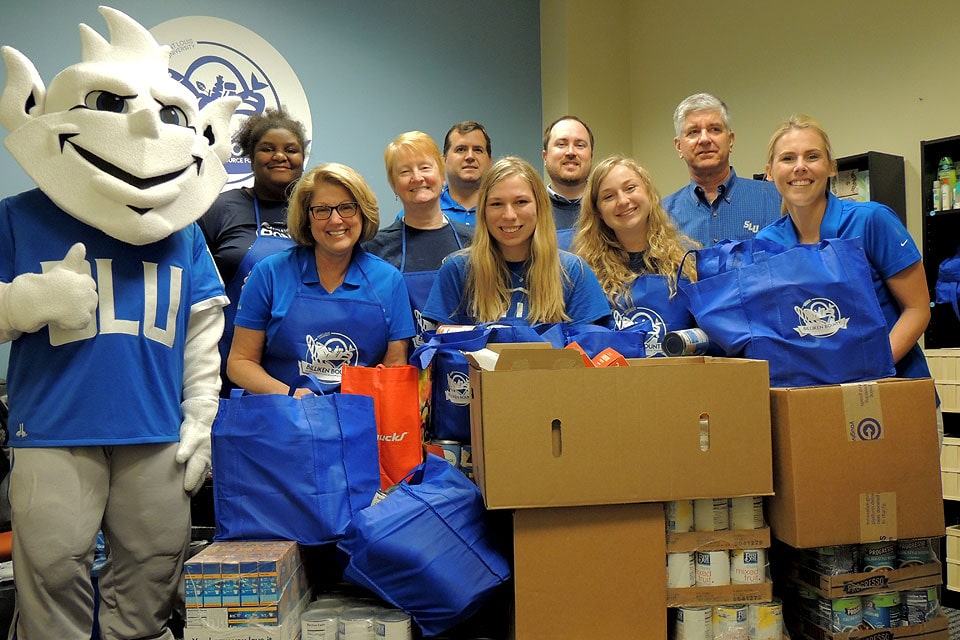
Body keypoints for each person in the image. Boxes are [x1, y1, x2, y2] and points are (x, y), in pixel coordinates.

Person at [0, 7, 236, 639]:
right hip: (52, 427)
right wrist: (22, 304)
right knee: (51, 568)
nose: (141, 125)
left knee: (155, 563)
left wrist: (202, 413)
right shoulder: (19, 217)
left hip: (156, 431)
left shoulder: (182, 232)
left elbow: (202, 326)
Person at [755, 115, 938, 439]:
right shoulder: (766, 245)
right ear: (770, 172)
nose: (800, 167)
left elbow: (917, 310)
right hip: (815, 406)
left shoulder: (871, 221)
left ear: (831, 167)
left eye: (812, 156)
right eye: (788, 158)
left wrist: (864, 371)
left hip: (893, 393)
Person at [227, 163, 415, 397]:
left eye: (347, 208)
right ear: (307, 218)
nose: (336, 220)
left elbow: (393, 370)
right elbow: (240, 363)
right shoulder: (269, 274)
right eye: (322, 210)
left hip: (359, 422)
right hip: (281, 419)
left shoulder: (389, 281)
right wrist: (290, 396)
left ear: (363, 213)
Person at [422, 156, 610, 327]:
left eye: (521, 202)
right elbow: (443, 349)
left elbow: (589, 351)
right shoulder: (457, 270)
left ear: (540, 206)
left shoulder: (574, 272)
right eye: (496, 204)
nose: (509, 215)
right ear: (483, 212)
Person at [199, 107, 308, 395]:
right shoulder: (220, 208)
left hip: (299, 368)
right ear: (250, 155)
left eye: (291, 149)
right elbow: (194, 286)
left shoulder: (318, 213)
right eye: (267, 149)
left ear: (303, 158)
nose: (280, 156)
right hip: (225, 363)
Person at [572, 155, 700, 356]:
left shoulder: (688, 261)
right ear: (598, 211)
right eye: (608, 196)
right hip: (612, 382)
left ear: (649, 192)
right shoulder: (583, 273)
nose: (623, 201)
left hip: (678, 381)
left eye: (630, 188)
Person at [364, 131, 473, 340]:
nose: (417, 178)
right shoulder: (375, 248)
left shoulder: (476, 242)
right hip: (401, 367)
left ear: (441, 175)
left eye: (425, 167)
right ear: (394, 185)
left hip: (466, 364)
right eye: (405, 172)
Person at [662, 92, 781, 247]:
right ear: (679, 147)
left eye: (715, 129)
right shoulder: (662, 216)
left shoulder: (775, 198)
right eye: (693, 132)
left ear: (730, 140)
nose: (704, 139)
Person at [543, 115, 594, 230]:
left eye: (580, 145)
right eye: (561, 144)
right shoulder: (531, 211)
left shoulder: (610, 209)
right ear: (545, 157)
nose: (571, 152)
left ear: (591, 157)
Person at [439, 120, 493, 225]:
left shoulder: (503, 210)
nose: (470, 157)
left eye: (478, 150)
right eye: (461, 149)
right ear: (444, 160)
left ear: (490, 161)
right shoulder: (420, 212)